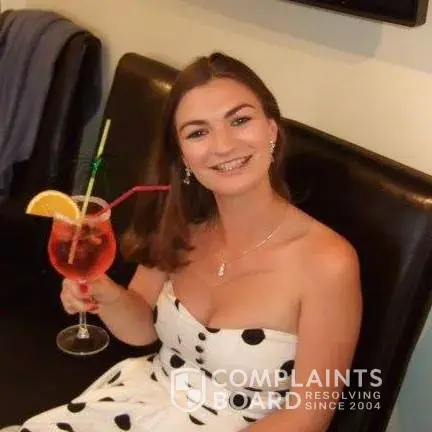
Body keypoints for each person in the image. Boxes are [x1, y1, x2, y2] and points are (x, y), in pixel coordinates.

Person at [10, 52, 362, 432]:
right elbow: (141, 329)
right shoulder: (182, 226)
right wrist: (101, 290)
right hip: (143, 402)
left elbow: (309, 416)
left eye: (240, 120)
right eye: (198, 132)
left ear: (272, 130)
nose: (223, 145)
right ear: (183, 155)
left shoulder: (328, 262)